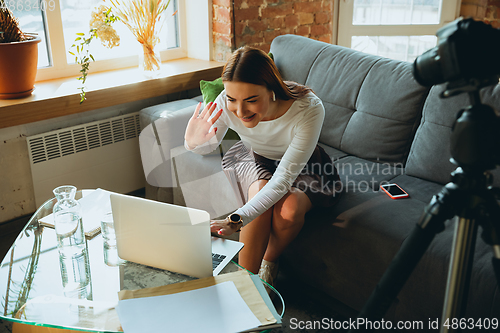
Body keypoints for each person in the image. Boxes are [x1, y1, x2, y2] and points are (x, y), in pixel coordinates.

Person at [184, 46, 342, 288]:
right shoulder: (225, 104)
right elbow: (205, 147)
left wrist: (236, 220)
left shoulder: (308, 108)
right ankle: (244, 285)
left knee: (288, 210)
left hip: (303, 163)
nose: (239, 111)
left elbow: (282, 180)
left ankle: (269, 261)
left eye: (251, 100)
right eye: (232, 99)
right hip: (254, 156)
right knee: (260, 192)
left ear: (272, 90)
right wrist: (192, 142)